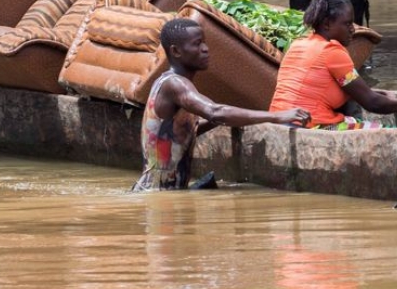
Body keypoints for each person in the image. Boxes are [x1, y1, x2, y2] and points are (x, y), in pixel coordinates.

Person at [133, 18, 311, 191]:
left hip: (165, 195)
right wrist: (277, 116)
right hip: (157, 196)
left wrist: (234, 117)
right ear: (176, 51)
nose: (205, 49)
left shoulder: (173, 83)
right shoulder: (175, 84)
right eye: (197, 44)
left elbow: (187, 131)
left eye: (204, 42)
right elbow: (215, 112)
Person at [270, 0, 397, 130]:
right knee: (388, 132)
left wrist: (383, 93)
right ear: (327, 24)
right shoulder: (332, 51)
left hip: (278, 123)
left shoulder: (298, 44)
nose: (352, 29)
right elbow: (372, 103)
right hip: (312, 127)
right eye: (347, 24)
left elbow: (342, 87)